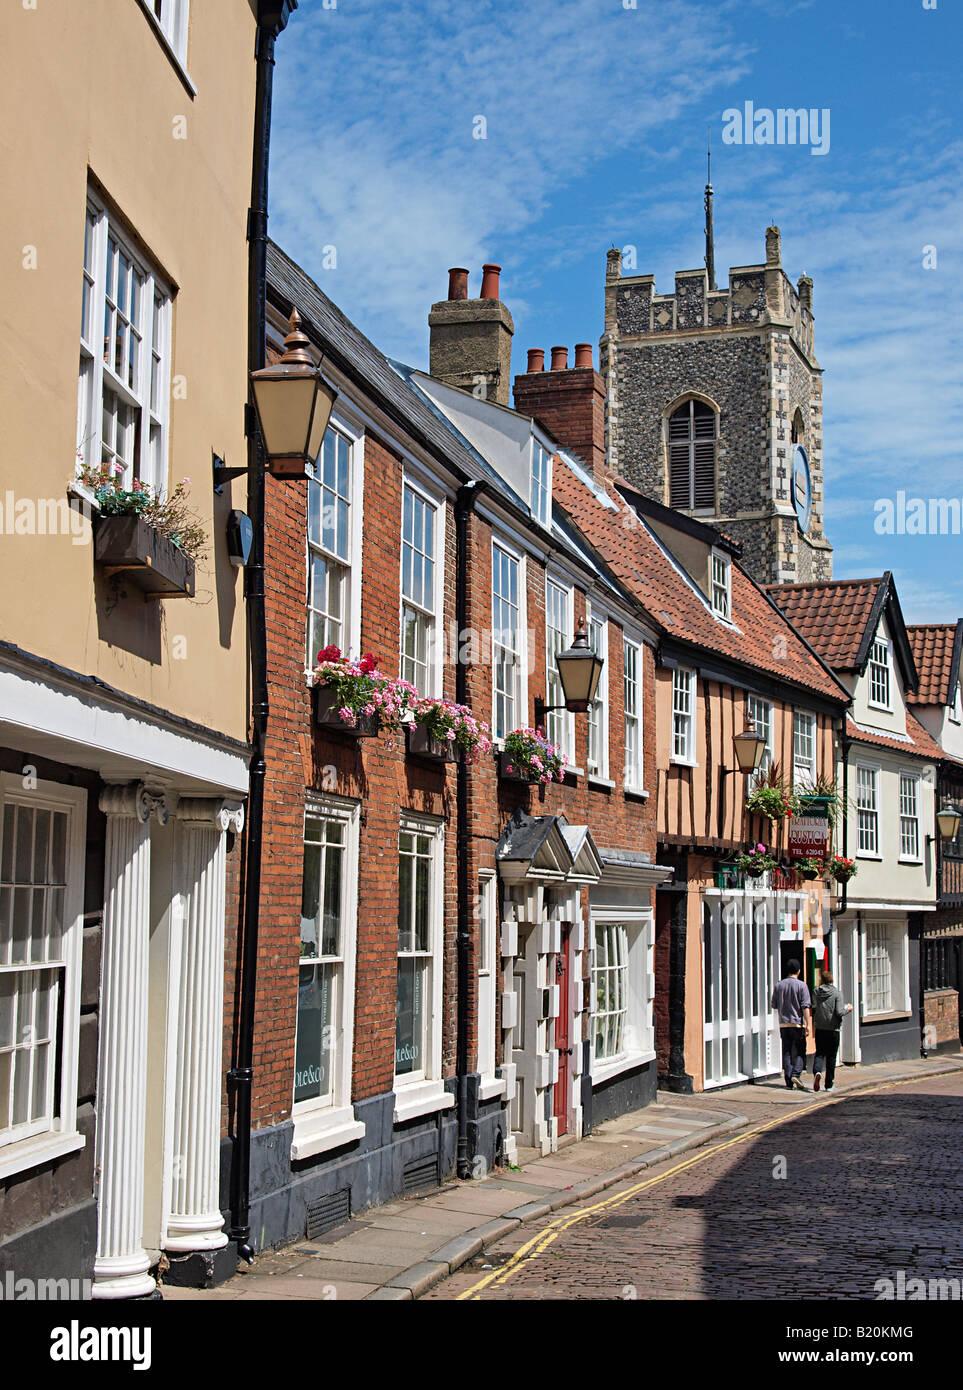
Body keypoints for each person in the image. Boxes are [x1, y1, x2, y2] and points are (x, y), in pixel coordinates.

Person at [771, 960, 811, 1091]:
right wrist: (808, 1024)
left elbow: (774, 1004)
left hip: (783, 1023)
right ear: (799, 971)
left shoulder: (779, 985)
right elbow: (805, 1006)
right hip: (797, 1024)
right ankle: (796, 1074)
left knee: (786, 1051)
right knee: (800, 1050)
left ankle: (788, 1080)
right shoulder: (802, 986)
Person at [811, 967, 852, 1092]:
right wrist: (848, 1009)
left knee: (819, 1053)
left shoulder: (816, 992)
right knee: (831, 1057)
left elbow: (814, 1006)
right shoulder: (837, 993)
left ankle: (817, 1072)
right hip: (833, 1029)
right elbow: (839, 1012)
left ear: (821, 980)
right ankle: (829, 1084)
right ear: (832, 980)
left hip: (820, 1028)